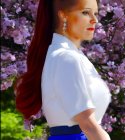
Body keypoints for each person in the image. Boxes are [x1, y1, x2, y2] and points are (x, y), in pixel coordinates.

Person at [14, 0, 112, 140]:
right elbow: (88, 124)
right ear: (63, 16)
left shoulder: (67, 55)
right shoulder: (66, 58)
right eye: (85, 12)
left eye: (95, 13)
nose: (94, 20)